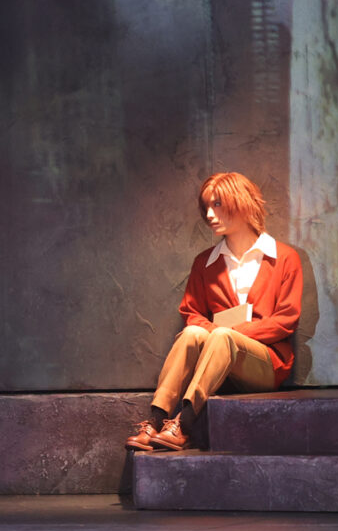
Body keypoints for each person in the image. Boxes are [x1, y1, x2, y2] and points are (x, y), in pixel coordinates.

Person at [126, 172, 302, 451]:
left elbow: (286, 319)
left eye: (217, 204)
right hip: (217, 366)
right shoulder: (204, 263)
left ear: (242, 203)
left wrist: (230, 333)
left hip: (266, 365)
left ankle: (184, 424)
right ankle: (157, 420)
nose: (209, 214)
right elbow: (192, 313)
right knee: (192, 333)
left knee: (222, 336)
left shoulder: (284, 258)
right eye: (206, 206)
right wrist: (216, 333)